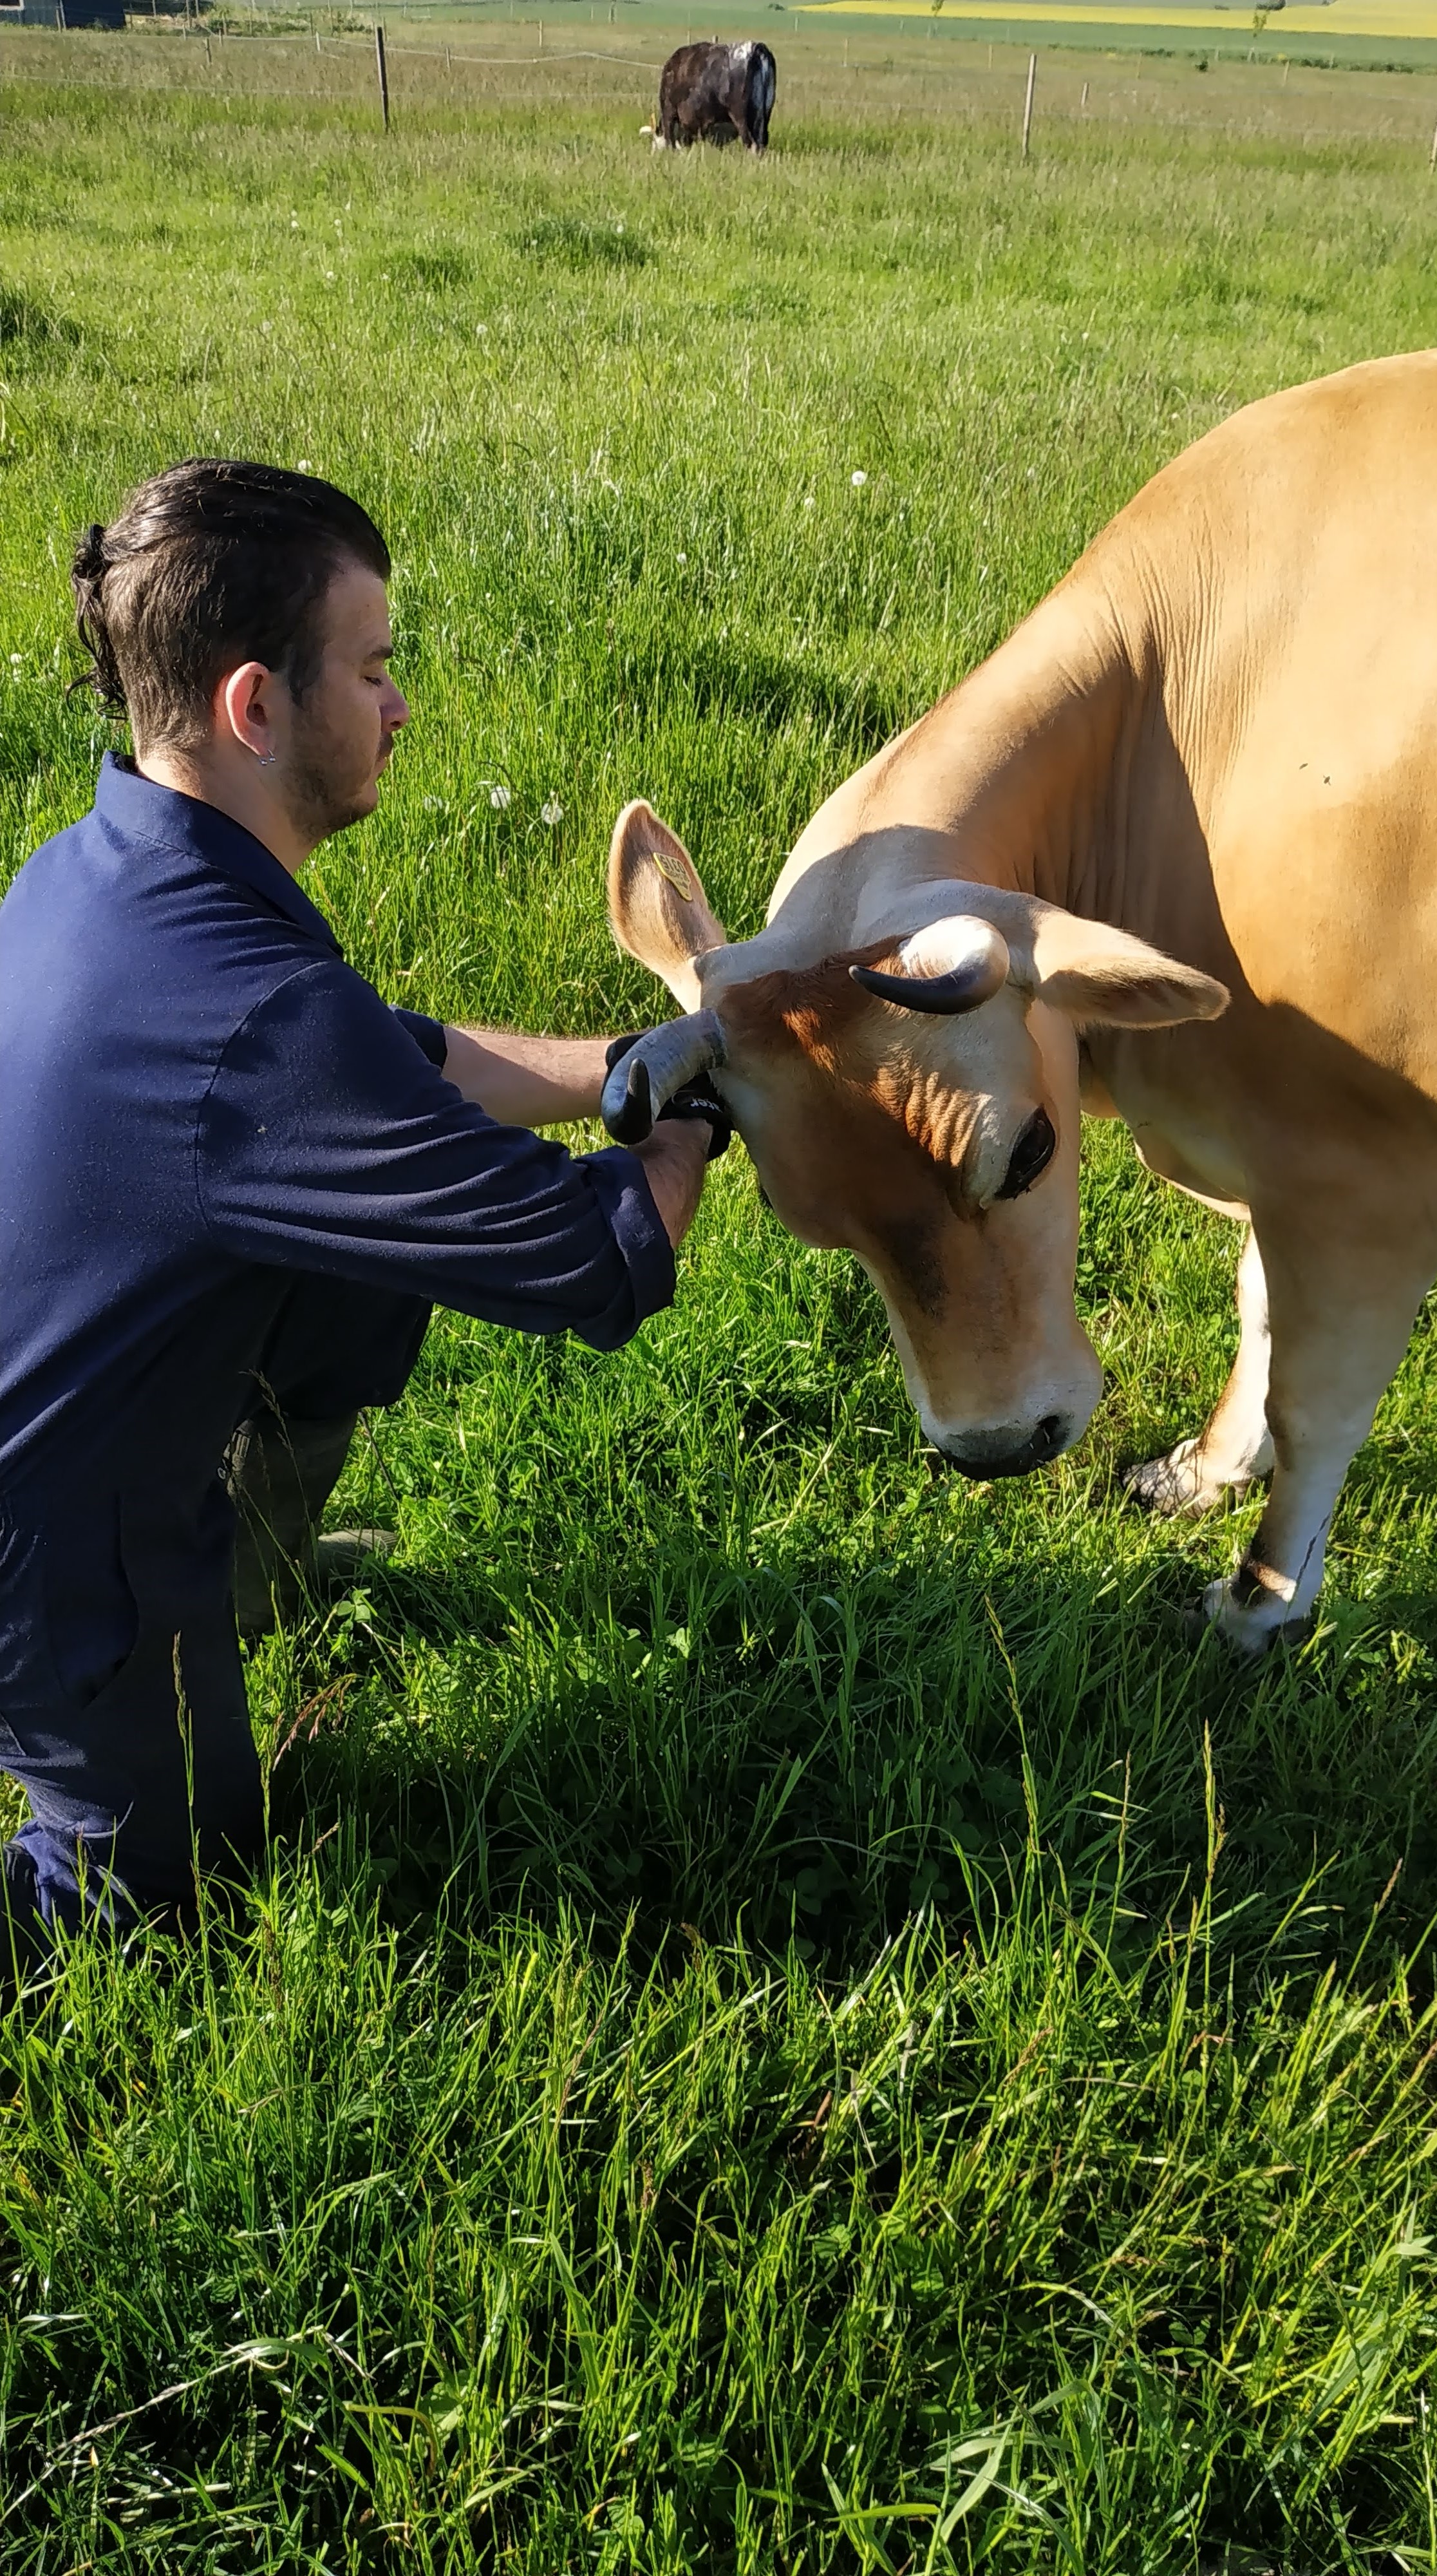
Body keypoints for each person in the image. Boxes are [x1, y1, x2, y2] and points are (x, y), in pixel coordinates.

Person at [0, 459, 726, 1960]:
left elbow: (394, 1064)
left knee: (360, 1252)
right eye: (375, 667)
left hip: (65, 1428)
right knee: (151, 1898)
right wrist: (708, 1119)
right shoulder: (253, 1024)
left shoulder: (105, 873)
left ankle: (244, 1568)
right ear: (256, 706)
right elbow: (594, 1257)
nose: (401, 706)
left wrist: (640, 1064)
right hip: (43, 1558)